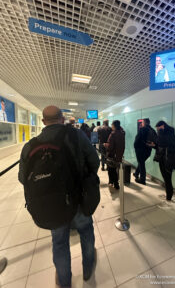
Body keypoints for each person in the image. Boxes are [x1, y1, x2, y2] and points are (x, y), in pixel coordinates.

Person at [18, 106, 100, 288]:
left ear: (42, 121)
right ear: (62, 119)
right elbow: (94, 161)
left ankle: (64, 282)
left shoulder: (30, 146)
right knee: (86, 232)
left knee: (60, 242)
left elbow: (23, 178)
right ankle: (88, 270)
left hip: (53, 205)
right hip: (79, 199)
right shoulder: (76, 136)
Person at [148, 120, 175, 201]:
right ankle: (168, 194)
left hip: (167, 159)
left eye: (158, 129)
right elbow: (161, 146)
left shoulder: (168, 134)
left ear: (163, 126)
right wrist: (154, 145)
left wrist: (160, 133)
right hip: (164, 158)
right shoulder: (167, 134)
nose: (157, 130)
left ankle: (169, 196)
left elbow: (163, 143)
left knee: (167, 178)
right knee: (166, 178)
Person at [133, 118, 157, 185]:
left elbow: (137, 140)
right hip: (148, 150)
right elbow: (155, 140)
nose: (141, 124)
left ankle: (142, 179)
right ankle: (136, 173)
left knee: (141, 163)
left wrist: (135, 147)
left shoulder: (142, 129)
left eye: (142, 122)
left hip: (140, 150)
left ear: (145, 123)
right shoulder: (152, 130)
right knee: (141, 162)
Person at [104, 120, 125, 190]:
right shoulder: (122, 133)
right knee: (115, 169)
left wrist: (105, 145)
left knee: (111, 170)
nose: (111, 126)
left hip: (112, 155)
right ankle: (114, 183)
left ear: (114, 125)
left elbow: (110, 147)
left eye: (112, 125)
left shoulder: (113, 134)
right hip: (119, 154)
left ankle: (114, 183)